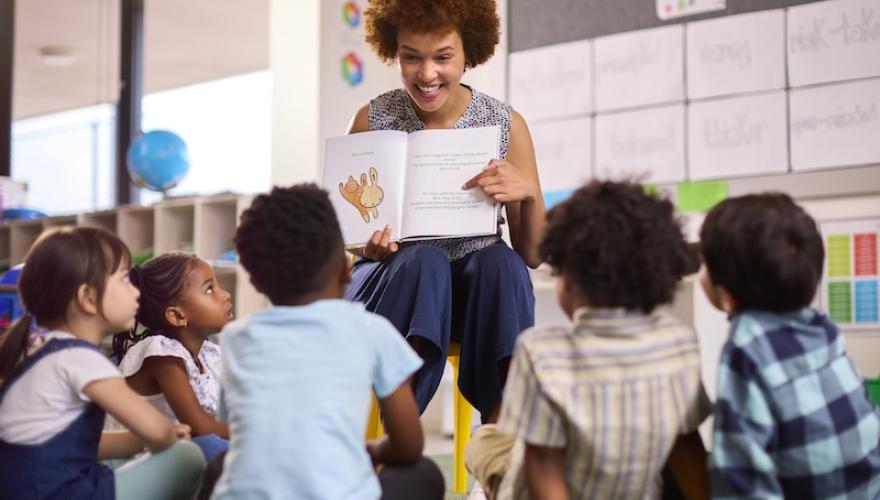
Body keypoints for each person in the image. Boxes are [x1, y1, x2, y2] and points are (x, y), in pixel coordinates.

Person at [345, 0, 545, 422]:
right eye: (411, 57)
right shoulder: (371, 119)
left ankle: (498, 445)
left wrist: (525, 194)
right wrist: (369, 248)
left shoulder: (506, 124)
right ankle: (403, 440)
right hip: (396, 284)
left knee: (502, 263)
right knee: (424, 261)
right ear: (393, 51)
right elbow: (347, 244)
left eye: (443, 57)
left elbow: (533, 254)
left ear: (469, 51)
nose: (427, 74)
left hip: (473, 293)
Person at [465, 181, 712, 500]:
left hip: (538, 488)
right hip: (636, 487)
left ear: (566, 274)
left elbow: (543, 463)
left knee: (485, 440)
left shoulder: (541, 353)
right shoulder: (679, 342)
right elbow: (688, 448)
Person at [210, 184, 444, 499]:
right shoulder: (371, 330)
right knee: (423, 474)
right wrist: (369, 451)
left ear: (253, 279)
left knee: (222, 464)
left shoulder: (236, 338)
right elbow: (407, 446)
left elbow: (238, 435)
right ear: (345, 269)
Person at [0, 226, 204, 500]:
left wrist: (137, 441)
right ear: (88, 298)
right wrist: (166, 437)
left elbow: (74, 446)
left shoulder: (44, 354)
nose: (135, 292)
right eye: (124, 280)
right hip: (67, 494)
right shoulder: (82, 360)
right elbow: (158, 431)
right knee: (187, 456)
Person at [698, 193, 880, 499]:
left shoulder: (747, 347)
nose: (700, 271)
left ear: (727, 296)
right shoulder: (823, 329)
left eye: (704, 264)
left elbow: (740, 473)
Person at [111, 253, 233, 462]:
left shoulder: (209, 353)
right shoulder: (160, 354)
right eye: (210, 290)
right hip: (138, 466)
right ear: (177, 316)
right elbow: (200, 427)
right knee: (211, 447)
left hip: (176, 456)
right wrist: (257, 433)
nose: (226, 295)